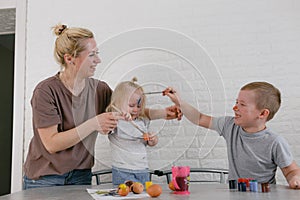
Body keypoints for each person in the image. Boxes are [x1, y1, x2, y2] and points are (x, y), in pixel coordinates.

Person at [23, 24, 180, 189]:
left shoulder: (100, 89)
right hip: (45, 178)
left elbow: (128, 110)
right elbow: (52, 144)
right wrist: (94, 123)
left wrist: (163, 113)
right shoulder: (46, 91)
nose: (98, 60)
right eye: (92, 55)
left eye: (97, 54)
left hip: (80, 175)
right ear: (70, 59)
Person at [164, 81, 300, 189]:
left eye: (242, 104)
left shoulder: (275, 142)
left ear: (263, 114)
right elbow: (199, 118)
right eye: (236, 102)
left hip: (263, 195)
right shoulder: (230, 126)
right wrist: (179, 102)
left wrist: (294, 178)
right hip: (235, 194)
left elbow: (291, 170)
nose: (235, 108)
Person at [106, 77, 158, 186]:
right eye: (131, 106)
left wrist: (152, 140)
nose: (136, 109)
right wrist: (119, 116)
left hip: (143, 170)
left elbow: (149, 143)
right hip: (122, 171)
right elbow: (104, 128)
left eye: (139, 106)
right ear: (118, 104)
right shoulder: (116, 122)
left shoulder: (142, 121)